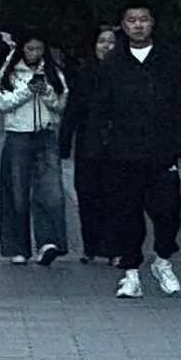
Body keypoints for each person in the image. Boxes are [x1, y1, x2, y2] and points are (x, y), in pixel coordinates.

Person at [88, 2, 181, 299]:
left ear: (152, 23)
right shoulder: (112, 65)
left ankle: (162, 259)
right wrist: (98, 148)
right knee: (126, 214)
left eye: (143, 20)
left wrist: (180, 144)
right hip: (122, 153)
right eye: (132, 21)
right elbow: (99, 110)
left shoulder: (169, 61)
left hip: (161, 152)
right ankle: (131, 272)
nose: (138, 25)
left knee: (168, 211)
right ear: (124, 25)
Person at [0, 34, 70, 265]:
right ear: (22, 49)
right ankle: (17, 247)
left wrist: (45, 90)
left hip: (45, 134)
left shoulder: (53, 72)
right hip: (18, 135)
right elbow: (1, 102)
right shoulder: (10, 71)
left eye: (38, 48)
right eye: (30, 49)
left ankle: (49, 241)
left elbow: (61, 103)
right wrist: (27, 90)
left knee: (51, 191)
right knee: (16, 192)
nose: (34, 53)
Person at [61, 25, 118, 263]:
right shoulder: (85, 73)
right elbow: (73, 109)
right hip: (88, 143)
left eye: (111, 42)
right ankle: (91, 245)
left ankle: (115, 247)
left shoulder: (125, 74)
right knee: (88, 194)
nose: (106, 47)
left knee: (115, 196)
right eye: (101, 42)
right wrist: (64, 142)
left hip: (119, 145)